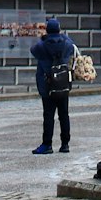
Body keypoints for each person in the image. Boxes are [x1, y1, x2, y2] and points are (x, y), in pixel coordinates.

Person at [29, 17, 75, 155]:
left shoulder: (42, 46)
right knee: (64, 114)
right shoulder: (66, 44)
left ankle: (47, 144)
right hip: (63, 84)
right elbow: (72, 46)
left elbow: (33, 50)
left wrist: (44, 38)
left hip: (47, 86)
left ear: (47, 30)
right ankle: (65, 144)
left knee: (48, 116)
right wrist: (61, 36)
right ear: (59, 29)